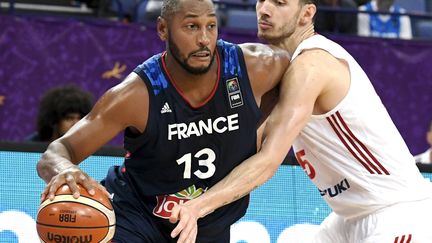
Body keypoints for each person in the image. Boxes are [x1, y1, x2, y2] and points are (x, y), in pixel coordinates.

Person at [170, 0, 432, 242]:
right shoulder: (282, 70)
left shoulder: (312, 66)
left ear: (307, 14)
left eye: (280, 2)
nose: (265, 9)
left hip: (398, 212)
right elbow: (244, 145)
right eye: (262, 0)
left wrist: (198, 206)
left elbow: (267, 162)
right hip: (348, 217)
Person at [36, 0, 293, 242]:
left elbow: (302, 69)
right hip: (137, 216)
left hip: (208, 222)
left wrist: (256, 131)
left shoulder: (257, 68)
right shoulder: (136, 95)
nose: (204, 39)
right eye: (191, 27)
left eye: (211, 26)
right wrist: (65, 169)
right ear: (162, 29)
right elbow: (56, 152)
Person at [27, 85, 93, 142]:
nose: (76, 124)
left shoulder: (91, 147)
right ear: (54, 121)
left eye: (80, 118)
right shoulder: (31, 145)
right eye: (69, 118)